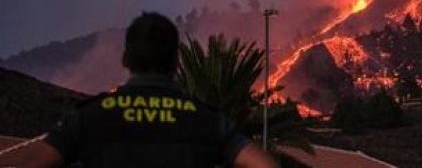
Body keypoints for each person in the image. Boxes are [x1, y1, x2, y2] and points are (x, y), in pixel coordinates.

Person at [22, 12, 279, 168]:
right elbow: (263, 164)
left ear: (125, 59)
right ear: (176, 62)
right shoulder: (205, 121)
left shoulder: (90, 117)